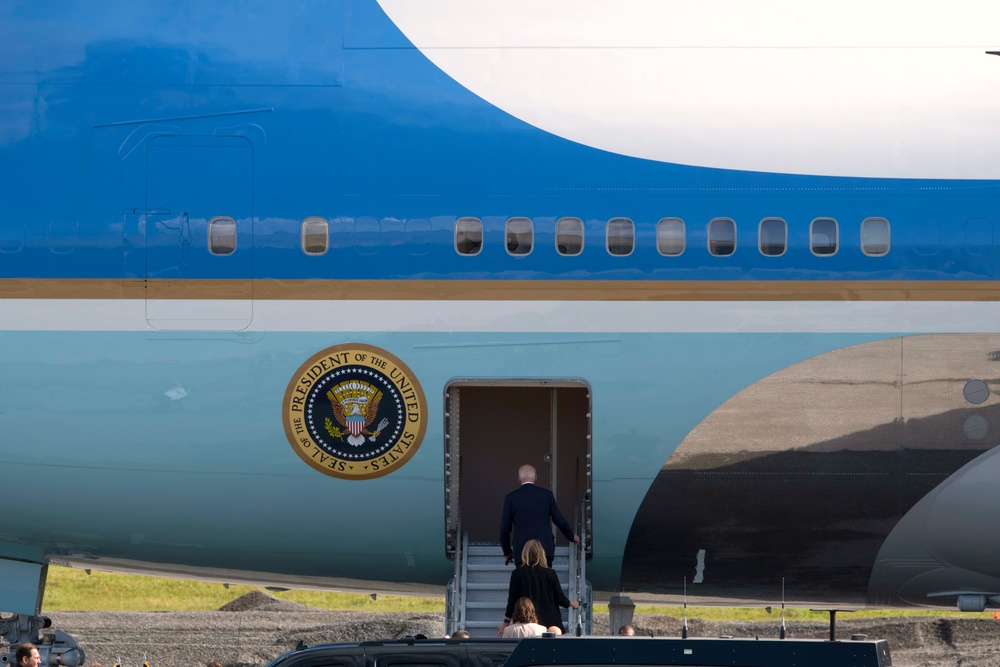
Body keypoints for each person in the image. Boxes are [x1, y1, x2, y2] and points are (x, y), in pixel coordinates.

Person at [499, 464, 578, 567]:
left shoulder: (511, 498)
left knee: (524, 581)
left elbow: (504, 528)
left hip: (522, 550)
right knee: (544, 580)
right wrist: (571, 536)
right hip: (545, 548)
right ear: (535, 477)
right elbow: (559, 520)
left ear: (519, 477)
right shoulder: (547, 495)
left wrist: (507, 552)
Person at [503, 539, 579, 633]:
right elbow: (560, 598)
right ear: (541, 554)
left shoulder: (517, 574)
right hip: (550, 623)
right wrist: (571, 603)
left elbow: (512, 600)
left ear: (525, 553)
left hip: (526, 623)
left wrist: (506, 622)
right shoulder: (550, 573)